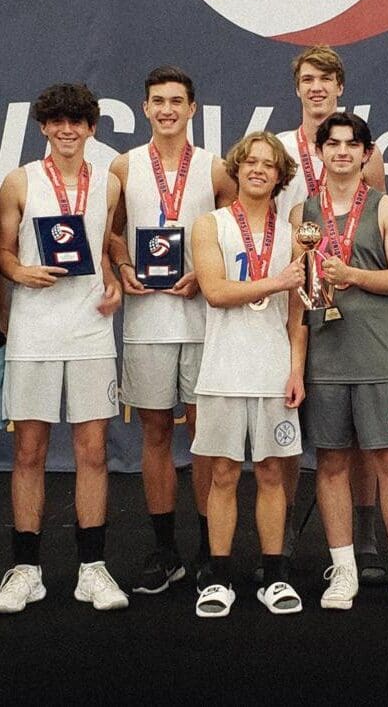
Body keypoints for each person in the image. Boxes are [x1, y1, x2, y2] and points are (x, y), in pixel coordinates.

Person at [292, 112, 388, 611]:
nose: (342, 152)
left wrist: (352, 274)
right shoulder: (303, 213)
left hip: (379, 357)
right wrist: (296, 366)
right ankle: (344, 570)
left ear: (366, 153)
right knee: (331, 462)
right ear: (320, 152)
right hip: (326, 359)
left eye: (352, 144)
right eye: (333, 144)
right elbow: (297, 293)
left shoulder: (387, 208)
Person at [0, 83, 127, 612]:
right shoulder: (20, 181)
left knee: (92, 451)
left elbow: (103, 248)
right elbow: (4, 250)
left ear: (91, 128)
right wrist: (19, 272)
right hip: (33, 329)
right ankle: (26, 570)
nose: (67, 130)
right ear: (44, 127)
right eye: (57, 121)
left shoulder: (109, 184)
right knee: (29, 451)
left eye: (77, 121)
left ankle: (92, 569)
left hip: (90, 330)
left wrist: (114, 282)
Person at [109, 66, 236, 594]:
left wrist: (206, 274)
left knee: (205, 437)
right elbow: (111, 232)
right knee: (156, 434)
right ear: (145, 108)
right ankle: (165, 551)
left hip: (204, 322)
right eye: (158, 101)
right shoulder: (124, 166)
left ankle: (209, 549)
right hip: (147, 322)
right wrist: (122, 264)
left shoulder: (214, 168)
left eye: (176, 101)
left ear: (192, 109)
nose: (167, 110)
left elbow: (238, 234)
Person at [273, 45, 387, 585]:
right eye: (308, 79)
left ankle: (365, 536)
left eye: (326, 79)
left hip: (349, 304)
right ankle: (285, 532)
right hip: (288, 296)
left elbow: (372, 229)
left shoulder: (367, 153)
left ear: (340, 86)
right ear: (297, 87)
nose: (316, 87)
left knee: (358, 434)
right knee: (291, 422)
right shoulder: (277, 149)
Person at [190, 132, 305, 617]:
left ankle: (274, 577)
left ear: (280, 176)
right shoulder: (209, 225)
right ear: (237, 169)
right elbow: (215, 292)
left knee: (272, 472)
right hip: (222, 369)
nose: (258, 169)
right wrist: (275, 280)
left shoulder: (294, 234)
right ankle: (218, 578)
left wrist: (296, 370)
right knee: (222, 473)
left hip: (273, 370)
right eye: (251, 161)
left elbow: (297, 315)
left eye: (268, 164)